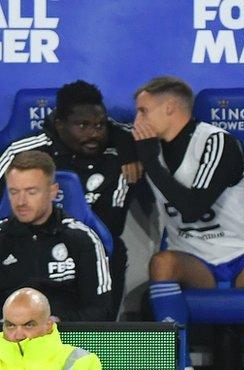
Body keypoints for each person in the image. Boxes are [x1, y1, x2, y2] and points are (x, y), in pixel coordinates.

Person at [133, 76, 244, 370]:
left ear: (169, 108)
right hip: (193, 261)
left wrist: (148, 161)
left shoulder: (217, 142)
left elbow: (193, 207)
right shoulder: (144, 145)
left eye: (143, 112)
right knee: (161, 263)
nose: (137, 122)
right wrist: (126, 157)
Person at [0, 80, 142, 320]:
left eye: (99, 125)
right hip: (23, 241)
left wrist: (127, 147)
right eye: (83, 125)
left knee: (112, 249)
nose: (94, 133)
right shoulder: (24, 152)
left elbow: (112, 226)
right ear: (60, 125)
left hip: (83, 247)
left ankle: (104, 332)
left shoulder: (120, 153)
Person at [0, 151, 112, 321]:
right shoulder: (2, 238)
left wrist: (59, 323)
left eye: (31, 192)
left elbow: (101, 310)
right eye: (14, 192)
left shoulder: (82, 239)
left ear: (53, 191)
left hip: (65, 342)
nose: (21, 201)